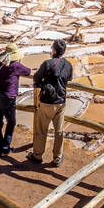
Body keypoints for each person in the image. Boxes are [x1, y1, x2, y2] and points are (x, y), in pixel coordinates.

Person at [29, 39, 73, 167]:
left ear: (54, 50)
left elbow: (36, 77)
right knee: (59, 131)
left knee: (42, 129)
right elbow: (69, 78)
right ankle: (57, 158)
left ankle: (37, 155)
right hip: (61, 102)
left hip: (47, 101)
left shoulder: (47, 63)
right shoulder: (68, 65)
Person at [0, 43, 31, 156]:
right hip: (8, 97)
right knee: (11, 121)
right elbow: (28, 71)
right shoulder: (15, 65)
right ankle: (5, 147)